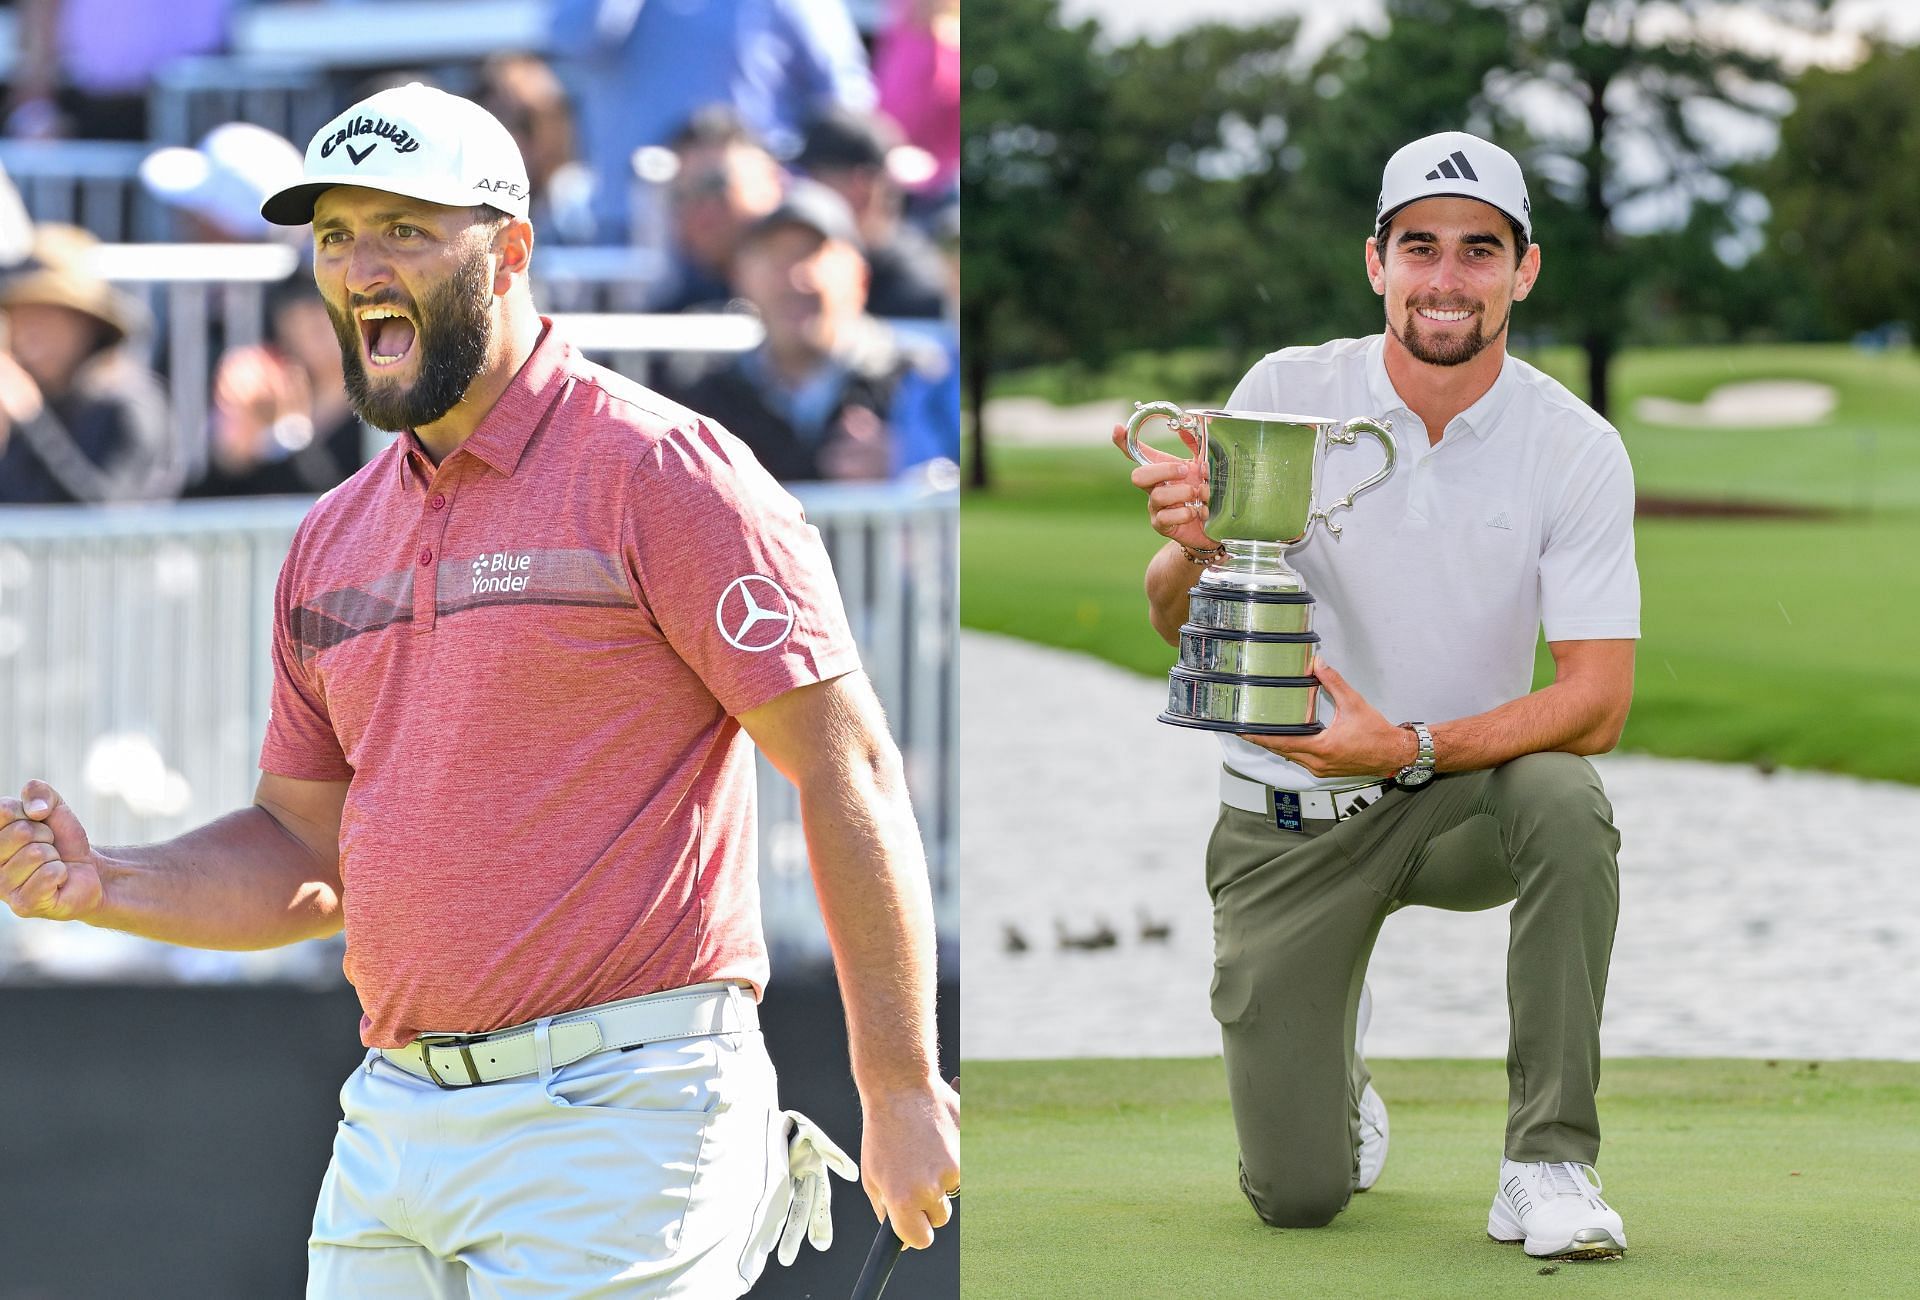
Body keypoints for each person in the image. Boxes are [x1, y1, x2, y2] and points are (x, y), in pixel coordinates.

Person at [1, 83, 958, 1296]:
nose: (360, 267)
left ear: (509, 251)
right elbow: (308, 848)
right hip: (393, 1121)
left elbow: (848, 764)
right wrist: (107, 883)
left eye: (404, 228)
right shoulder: (331, 538)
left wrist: (900, 1084)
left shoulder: (668, 474)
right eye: (337, 236)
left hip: (625, 1112)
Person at [1116, 131, 1639, 1260]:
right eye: (1420, 248)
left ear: (1523, 270)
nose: (1446, 279)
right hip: (1286, 822)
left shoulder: (1576, 446)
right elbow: (1175, 620)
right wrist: (1194, 551)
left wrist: (1400, 745)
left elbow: (1597, 701)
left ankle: (1547, 1162)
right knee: (1299, 1197)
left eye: (1478, 250)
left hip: (1455, 798)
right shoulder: (1287, 391)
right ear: (1376, 263)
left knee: (1564, 794)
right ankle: (1336, 1084)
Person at [672, 181, 948, 483]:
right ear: (742, 277)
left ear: (860, 276)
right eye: (776, 259)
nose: (795, 279)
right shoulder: (706, 395)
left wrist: (910, 468)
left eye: (811, 255)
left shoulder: (922, 377)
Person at [546, 0, 874, 242]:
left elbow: (843, 99)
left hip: (756, 233)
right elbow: (572, 38)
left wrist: (792, 189)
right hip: (630, 232)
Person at [0, 224, 176, 504]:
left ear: (87, 324)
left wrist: (32, 420)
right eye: (21, 316)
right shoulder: (38, 399)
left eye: (45, 316)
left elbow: (105, 518)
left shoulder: (128, 404)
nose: (28, 333)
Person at [187, 276, 363, 497]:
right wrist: (234, 456)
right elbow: (201, 502)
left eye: (328, 308)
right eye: (300, 311)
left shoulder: (384, 411)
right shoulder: (263, 394)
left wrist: (292, 437)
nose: (314, 323)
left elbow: (341, 504)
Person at [795, 106, 948, 319]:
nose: (799, 192)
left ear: (860, 188)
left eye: (811, 178)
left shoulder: (913, 287)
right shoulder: (807, 262)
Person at [652, 108, 787, 315]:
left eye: (715, 186)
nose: (700, 210)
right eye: (680, 196)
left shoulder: (815, 287)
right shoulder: (677, 315)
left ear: (773, 181)